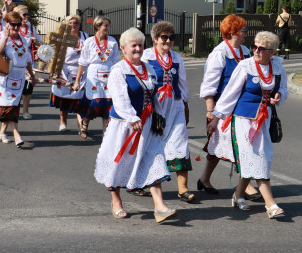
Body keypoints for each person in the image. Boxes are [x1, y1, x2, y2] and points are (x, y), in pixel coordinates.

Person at [93, 27, 177, 223]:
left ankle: (160, 207)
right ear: (124, 48)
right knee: (120, 163)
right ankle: (116, 201)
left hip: (147, 124)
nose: (138, 48)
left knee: (154, 159)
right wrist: (132, 118)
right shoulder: (118, 70)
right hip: (125, 126)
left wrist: (160, 118)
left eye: (140, 45)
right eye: (133, 46)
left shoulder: (148, 68)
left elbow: (153, 96)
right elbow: (120, 98)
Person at [208, 31, 288, 218]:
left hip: (264, 120)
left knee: (257, 158)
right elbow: (229, 94)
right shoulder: (245, 66)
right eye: (255, 47)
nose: (256, 51)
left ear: (272, 51)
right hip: (244, 121)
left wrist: (279, 96)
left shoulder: (277, 67)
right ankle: (271, 205)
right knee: (257, 159)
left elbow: (283, 88)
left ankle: (237, 195)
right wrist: (216, 118)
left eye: (262, 48)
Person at [197, 15, 254, 199]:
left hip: (242, 107)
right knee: (229, 145)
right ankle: (246, 185)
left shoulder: (244, 51)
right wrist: (210, 111)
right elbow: (209, 86)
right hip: (224, 108)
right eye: (243, 30)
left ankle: (205, 178)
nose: (246, 34)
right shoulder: (219, 54)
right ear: (232, 33)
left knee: (225, 145)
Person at [144, 21, 194, 203]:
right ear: (155, 39)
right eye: (164, 37)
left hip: (175, 105)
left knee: (180, 142)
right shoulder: (146, 57)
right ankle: (146, 182)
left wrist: (186, 105)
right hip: (155, 106)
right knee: (152, 145)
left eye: (171, 38)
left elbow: (182, 83)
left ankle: (183, 189)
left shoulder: (177, 58)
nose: (168, 41)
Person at [0, 10, 34, 148]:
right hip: (5, 76)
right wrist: (5, 36)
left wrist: (32, 75)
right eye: (13, 24)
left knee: (14, 106)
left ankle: (2, 132)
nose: (15, 27)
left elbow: (27, 59)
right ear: (7, 24)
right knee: (8, 107)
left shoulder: (22, 39)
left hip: (19, 77)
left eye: (18, 24)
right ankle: (16, 134)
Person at [74, 16, 119, 140]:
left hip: (109, 74)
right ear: (97, 26)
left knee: (107, 102)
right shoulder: (89, 42)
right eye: (105, 25)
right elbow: (82, 62)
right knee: (94, 102)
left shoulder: (112, 41)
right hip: (93, 75)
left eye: (108, 25)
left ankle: (107, 133)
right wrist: (77, 81)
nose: (107, 28)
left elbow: (116, 61)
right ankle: (85, 123)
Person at [49, 15, 85, 133]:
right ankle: (63, 122)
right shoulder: (62, 37)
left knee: (79, 99)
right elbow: (54, 53)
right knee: (64, 98)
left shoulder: (85, 36)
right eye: (71, 23)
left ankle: (80, 125)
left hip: (81, 71)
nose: (74, 25)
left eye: (76, 23)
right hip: (65, 70)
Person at [13, 5, 40, 120]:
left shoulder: (31, 28)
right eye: (24, 14)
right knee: (14, 86)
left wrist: (38, 48)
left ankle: (25, 110)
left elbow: (39, 42)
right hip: (15, 61)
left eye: (27, 14)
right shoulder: (13, 27)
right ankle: (13, 109)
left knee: (28, 87)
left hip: (28, 61)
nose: (26, 16)